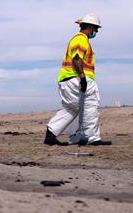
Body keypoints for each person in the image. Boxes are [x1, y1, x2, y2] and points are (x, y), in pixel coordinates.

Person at [45, 13, 111, 146]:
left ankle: (51, 133)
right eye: (96, 29)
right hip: (77, 79)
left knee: (72, 108)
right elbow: (77, 58)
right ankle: (92, 138)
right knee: (90, 106)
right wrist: (82, 78)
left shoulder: (79, 39)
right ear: (90, 27)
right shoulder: (81, 39)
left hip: (68, 79)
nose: (96, 32)